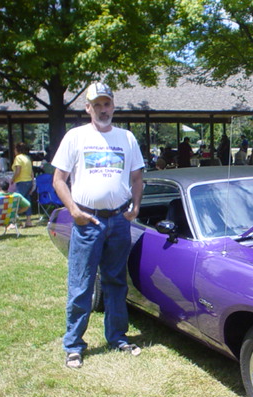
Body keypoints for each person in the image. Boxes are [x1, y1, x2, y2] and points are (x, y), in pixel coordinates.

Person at [52, 81, 145, 369]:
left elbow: (138, 177)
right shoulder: (75, 137)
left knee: (116, 282)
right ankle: (74, 345)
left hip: (118, 220)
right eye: (97, 104)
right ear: (88, 108)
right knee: (81, 283)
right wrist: (74, 211)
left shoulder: (127, 138)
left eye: (107, 104)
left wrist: (136, 206)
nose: (103, 109)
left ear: (113, 106)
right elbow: (59, 179)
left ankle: (117, 337)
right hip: (88, 221)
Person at [11, 142, 35, 227]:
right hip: (28, 181)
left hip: (21, 181)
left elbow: (18, 171)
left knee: (16, 201)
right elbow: (32, 172)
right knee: (27, 201)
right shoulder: (27, 158)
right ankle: (28, 221)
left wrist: (12, 179)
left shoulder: (18, 158)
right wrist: (32, 182)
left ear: (17, 150)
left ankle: (14, 221)